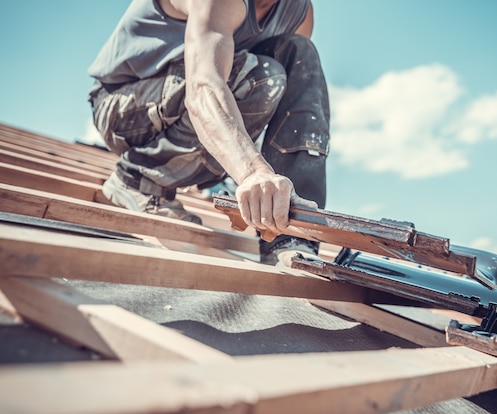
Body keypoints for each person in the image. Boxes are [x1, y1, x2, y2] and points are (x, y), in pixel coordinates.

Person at [88, 0, 330, 264]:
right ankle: (137, 178)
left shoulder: (299, 12)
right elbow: (204, 89)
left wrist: (262, 189)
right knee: (263, 77)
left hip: (192, 100)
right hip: (123, 106)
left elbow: (283, 108)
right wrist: (251, 172)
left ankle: (290, 234)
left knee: (299, 53)